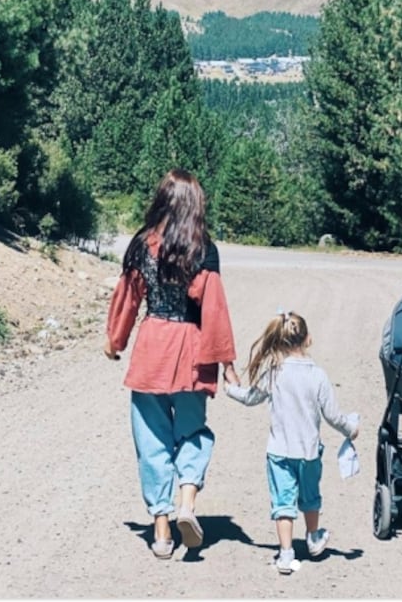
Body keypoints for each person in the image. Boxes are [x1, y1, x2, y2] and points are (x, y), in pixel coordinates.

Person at [104, 168, 238, 560]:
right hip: (193, 351)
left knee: (152, 440)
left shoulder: (142, 246)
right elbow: (214, 309)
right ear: (195, 206)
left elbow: (128, 298)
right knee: (192, 431)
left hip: (153, 347)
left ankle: (161, 531)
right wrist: (227, 363)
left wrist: (115, 341)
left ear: (162, 199)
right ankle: (187, 503)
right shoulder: (203, 249)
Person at [225, 310, 359, 575]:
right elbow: (332, 415)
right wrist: (350, 428)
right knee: (310, 497)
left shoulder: (274, 373)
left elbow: (251, 397)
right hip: (308, 452)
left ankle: (286, 554)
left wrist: (230, 388)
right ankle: (313, 537)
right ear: (308, 339)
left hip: (279, 452)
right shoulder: (318, 375)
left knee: (282, 503)